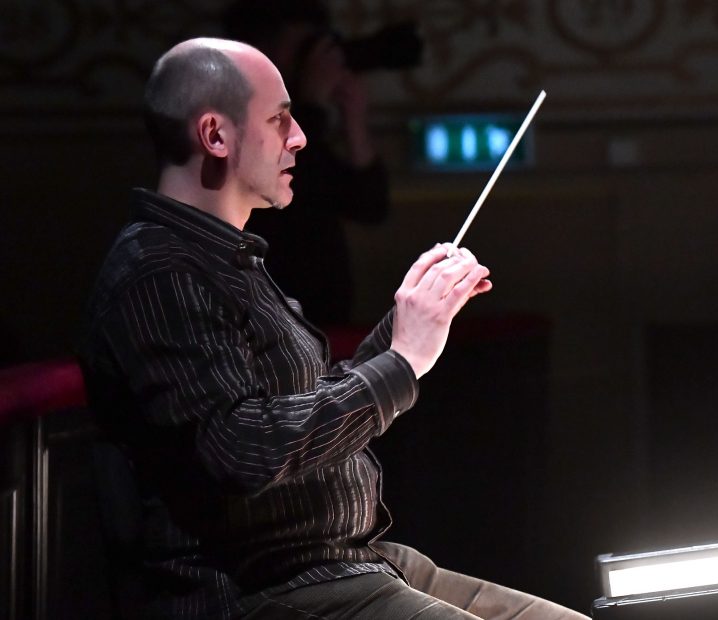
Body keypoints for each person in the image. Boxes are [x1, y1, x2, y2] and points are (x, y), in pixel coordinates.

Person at [78, 38, 586, 619]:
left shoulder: (221, 258)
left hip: (343, 562)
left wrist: (411, 321)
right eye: (280, 119)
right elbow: (242, 450)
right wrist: (401, 363)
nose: (299, 137)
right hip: (259, 589)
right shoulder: (158, 271)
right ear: (216, 135)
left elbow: (299, 406)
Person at [221, 0, 421, 327]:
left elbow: (370, 207)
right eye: (301, 50)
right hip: (264, 319)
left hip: (324, 318)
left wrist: (354, 120)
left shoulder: (306, 126)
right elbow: (282, 199)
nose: (311, 62)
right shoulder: (230, 120)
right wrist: (311, 106)